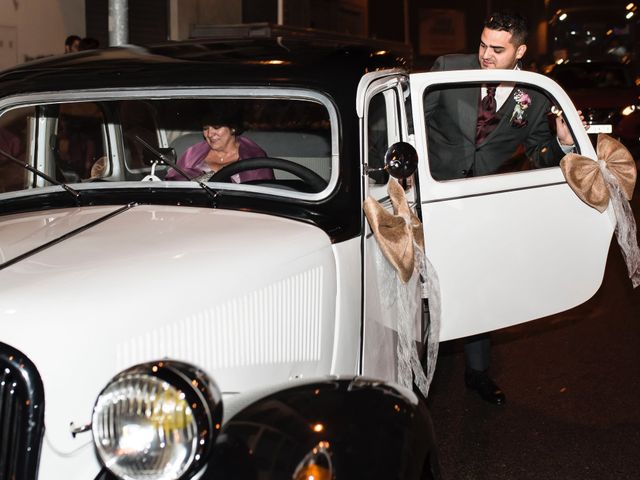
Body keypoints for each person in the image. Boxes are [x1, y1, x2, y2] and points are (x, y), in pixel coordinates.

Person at [425, 11, 580, 405]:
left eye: (497, 48)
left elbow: (539, 153)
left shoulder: (535, 93)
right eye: (482, 44)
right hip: (430, 197)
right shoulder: (448, 69)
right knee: (422, 285)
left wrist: (562, 143)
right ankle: (414, 369)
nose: (485, 55)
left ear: (520, 51)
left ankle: (477, 373)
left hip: (484, 204)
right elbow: (409, 125)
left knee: (478, 287)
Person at [165, 108, 274, 183]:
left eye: (216, 127)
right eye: (205, 128)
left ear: (233, 128)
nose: (209, 134)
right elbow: (173, 182)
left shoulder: (254, 157)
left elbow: (263, 193)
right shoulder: (192, 155)